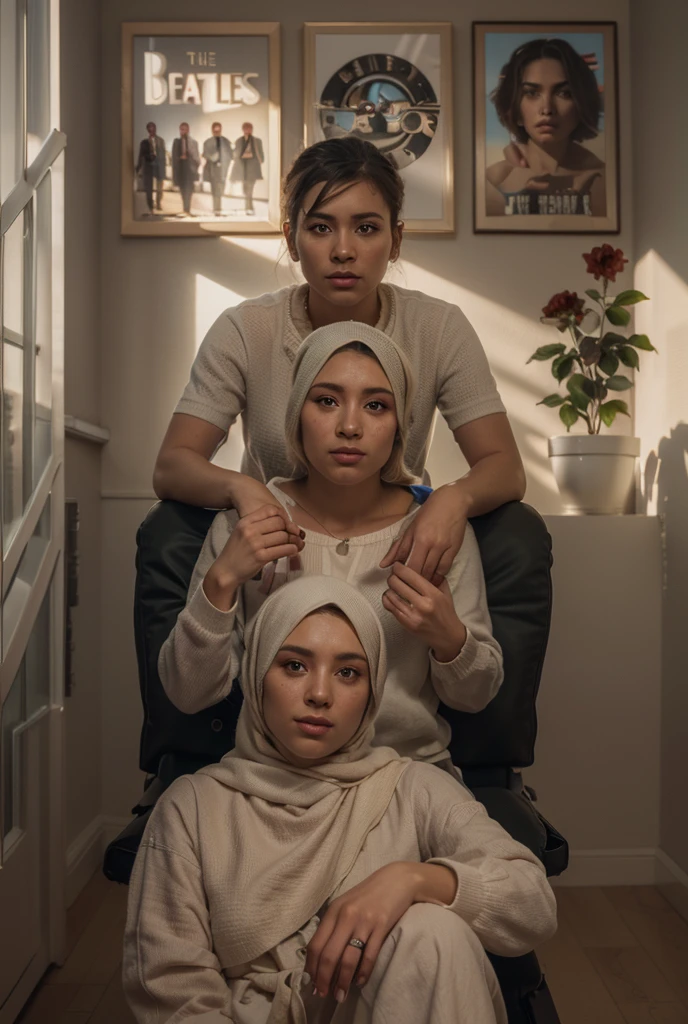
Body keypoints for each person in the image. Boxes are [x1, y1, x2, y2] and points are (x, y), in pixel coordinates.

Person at [124, 576, 557, 1024]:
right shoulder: (192, 807)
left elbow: (534, 907)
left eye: (348, 672)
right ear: (256, 675)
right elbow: (171, 992)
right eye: (294, 665)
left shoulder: (415, 788)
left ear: (372, 694)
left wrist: (413, 881)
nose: (319, 694)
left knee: (434, 932)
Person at [153, 136, 525, 584]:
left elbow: (504, 466)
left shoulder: (438, 327)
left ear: (395, 241)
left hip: (390, 557)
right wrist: (242, 489)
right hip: (279, 558)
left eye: (366, 228)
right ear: (292, 239)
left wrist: (453, 497)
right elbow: (173, 463)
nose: (343, 251)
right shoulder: (246, 329)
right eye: (321, 227)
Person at [159, 322, 504, 769]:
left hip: (405, 781)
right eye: (326, 401)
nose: (349, 426)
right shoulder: (244, 527)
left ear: (400, 427)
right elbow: (188, 695)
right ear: (296, 416)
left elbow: (476, 696)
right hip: (271, 780)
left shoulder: (438, 534)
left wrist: (449, 638)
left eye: (376, 406)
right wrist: (221, 582)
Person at [485, 38, 605, 217]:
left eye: (563, 93)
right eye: (532, 93)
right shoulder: (494, 179)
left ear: (581, 103)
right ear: (515, 108)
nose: (547, 109)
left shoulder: (600, 180)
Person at [230, 121, 265, 214]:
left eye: (250, 128)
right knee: (245, 189)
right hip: (243, 167)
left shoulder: (257, 141)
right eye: (246, 128)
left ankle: (249, 207)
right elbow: (235, 155)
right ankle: (248, 207)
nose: (248, 130)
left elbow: (261, 155)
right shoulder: (239, 141)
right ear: (243, 129)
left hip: (252, 168)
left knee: (250, 188)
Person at [135, 121, 166, 214]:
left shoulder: (161, 140)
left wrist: (163, 167)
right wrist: (138, 167)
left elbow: (163, 155)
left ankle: (158, 203)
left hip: (159, 165)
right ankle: (150, 206)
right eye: (150, 128)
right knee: (149, 188)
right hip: (148, 166)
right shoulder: (144, 142)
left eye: (153, 128)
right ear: (148, 130)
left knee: (160, 186)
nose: (152, 130)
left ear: (155, 129)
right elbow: (141, 155)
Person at [203, 121, 233, 214]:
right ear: (212, 130)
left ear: (221, 129)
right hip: (212, 170)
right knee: (215, 190)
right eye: (215, 130)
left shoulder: (226, 141)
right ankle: (217, 209)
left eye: (218, 130)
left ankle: (217, 208)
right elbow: (205, 154)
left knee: (220, 190)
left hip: (223, 170)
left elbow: (231, 155)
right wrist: (212, 157)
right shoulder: (207, 142)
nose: (217, 132)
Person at [172, 121, 200, 216]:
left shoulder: (193, 142)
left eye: (185, 129)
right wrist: (180, 158)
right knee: (183, 190)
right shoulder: (176, 142)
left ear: (188, 130)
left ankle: (187, 209)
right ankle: (185, 209)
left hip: (190, 169)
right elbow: (174, 158)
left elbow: (197, 158)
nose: (183, 131)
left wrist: (195, 168)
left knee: (189, 190)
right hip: (180, 169)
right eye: (181, 129)